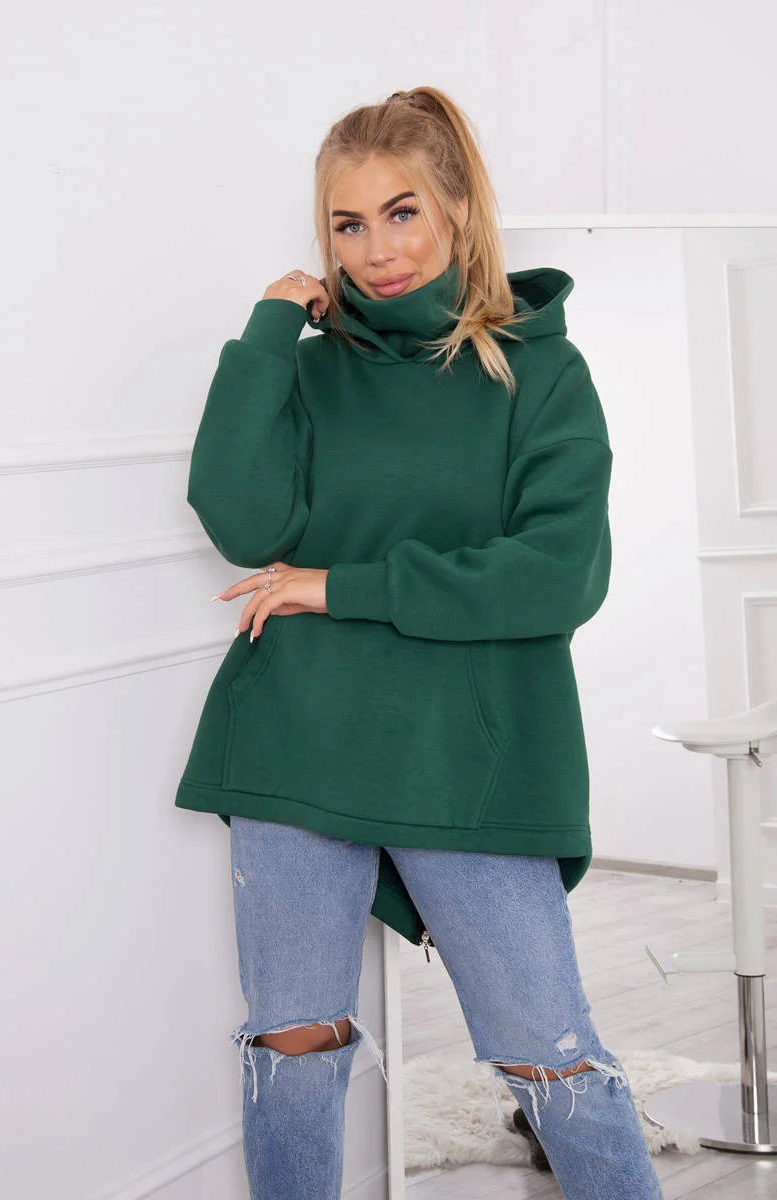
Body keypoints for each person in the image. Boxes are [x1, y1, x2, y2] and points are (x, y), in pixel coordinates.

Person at [175, 86, 664, 1199]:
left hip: (470, 757)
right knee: (292, 1049)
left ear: (457, 207)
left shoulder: (538, 371)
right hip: (298, 738)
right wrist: (267, 332)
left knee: (550, 1056)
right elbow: (240, 520)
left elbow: (559, 575)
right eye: (347, 225)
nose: (377, 250)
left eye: (401, 213)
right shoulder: (307, 369)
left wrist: (338, 587)